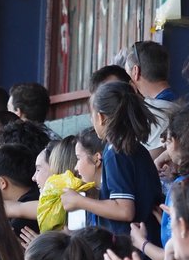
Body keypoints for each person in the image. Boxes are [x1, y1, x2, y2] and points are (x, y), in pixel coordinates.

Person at [63, 81, 162, 242]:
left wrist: (79, 201)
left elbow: (124, 210)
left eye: (92, 115)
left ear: (101, 117)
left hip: (135, 250)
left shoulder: (115, 152)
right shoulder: (134, 148)